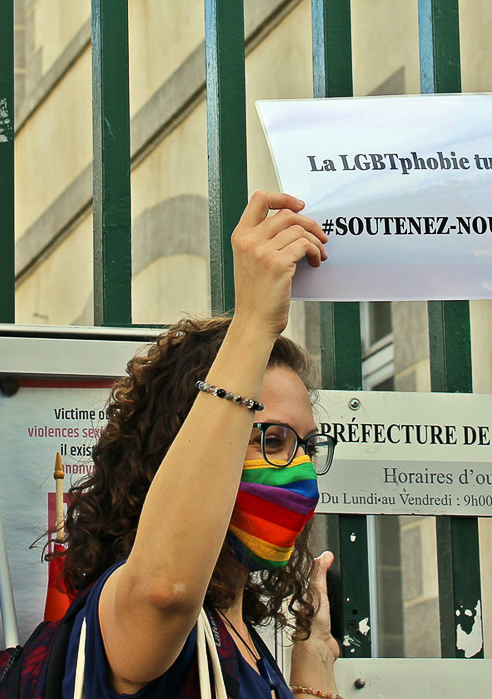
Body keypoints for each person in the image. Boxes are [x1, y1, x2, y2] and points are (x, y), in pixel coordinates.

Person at [59, 191, 341, 699]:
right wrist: (254, 323)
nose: (297, 469)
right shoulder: (131, 616)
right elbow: (165, 590)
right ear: (181, 442)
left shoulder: (239, 632)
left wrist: (312, 661)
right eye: (272, 438)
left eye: (307, 446)